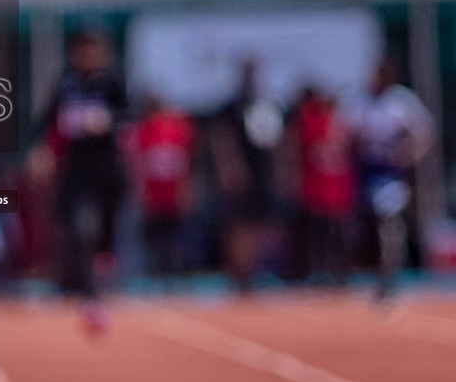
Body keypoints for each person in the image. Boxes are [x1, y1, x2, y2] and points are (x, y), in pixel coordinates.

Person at [38, 31, 128, 331]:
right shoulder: (65, 84)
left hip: (106, 170)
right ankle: (82, 288)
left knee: (104, 232)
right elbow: (45, 121)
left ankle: (100, 285)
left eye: (94, 50)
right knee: (78, 228)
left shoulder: (112, 83)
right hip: (74, 171)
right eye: (83, 50)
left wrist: (107, 122)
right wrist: (40, 152)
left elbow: (129, 115)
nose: (88, 56)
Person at [350, 57, 435, 302]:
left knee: (389, 223)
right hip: (363, 172)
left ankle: (389, 276)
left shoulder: (401, 101)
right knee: (364, 227)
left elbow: (425, 131)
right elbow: (347, 135)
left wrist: (409, 154)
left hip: (389, 174)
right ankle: (370, 270)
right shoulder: (360, 102)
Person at [209, 60, 283, 293]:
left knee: (260, 223)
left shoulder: (267, 104)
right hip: (242, 173)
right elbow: (222, 138)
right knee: (238, 225)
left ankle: (252, 271)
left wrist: (280, 170)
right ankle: (238, 274)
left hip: (263, 172)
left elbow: (278, 141)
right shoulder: (233, 106)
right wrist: (229, 167)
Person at [124, 93, 197, 289]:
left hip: (172, 193)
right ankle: (159, 277)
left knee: (178, 238)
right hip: (153, 195)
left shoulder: (177, 129)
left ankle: (179, 277)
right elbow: (137, 166)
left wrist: (186, 189)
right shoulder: (141, 131)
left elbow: (185, 162)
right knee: (156, 240)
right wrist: (141, 193)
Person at [289, 86, 356, 286]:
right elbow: (298, 149)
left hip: (338, 187)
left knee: (339, 234)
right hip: (316, 187)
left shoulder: (340, 121)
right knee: (316, 233)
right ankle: (315, 272)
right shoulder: (308, 119)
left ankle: (340, 273)